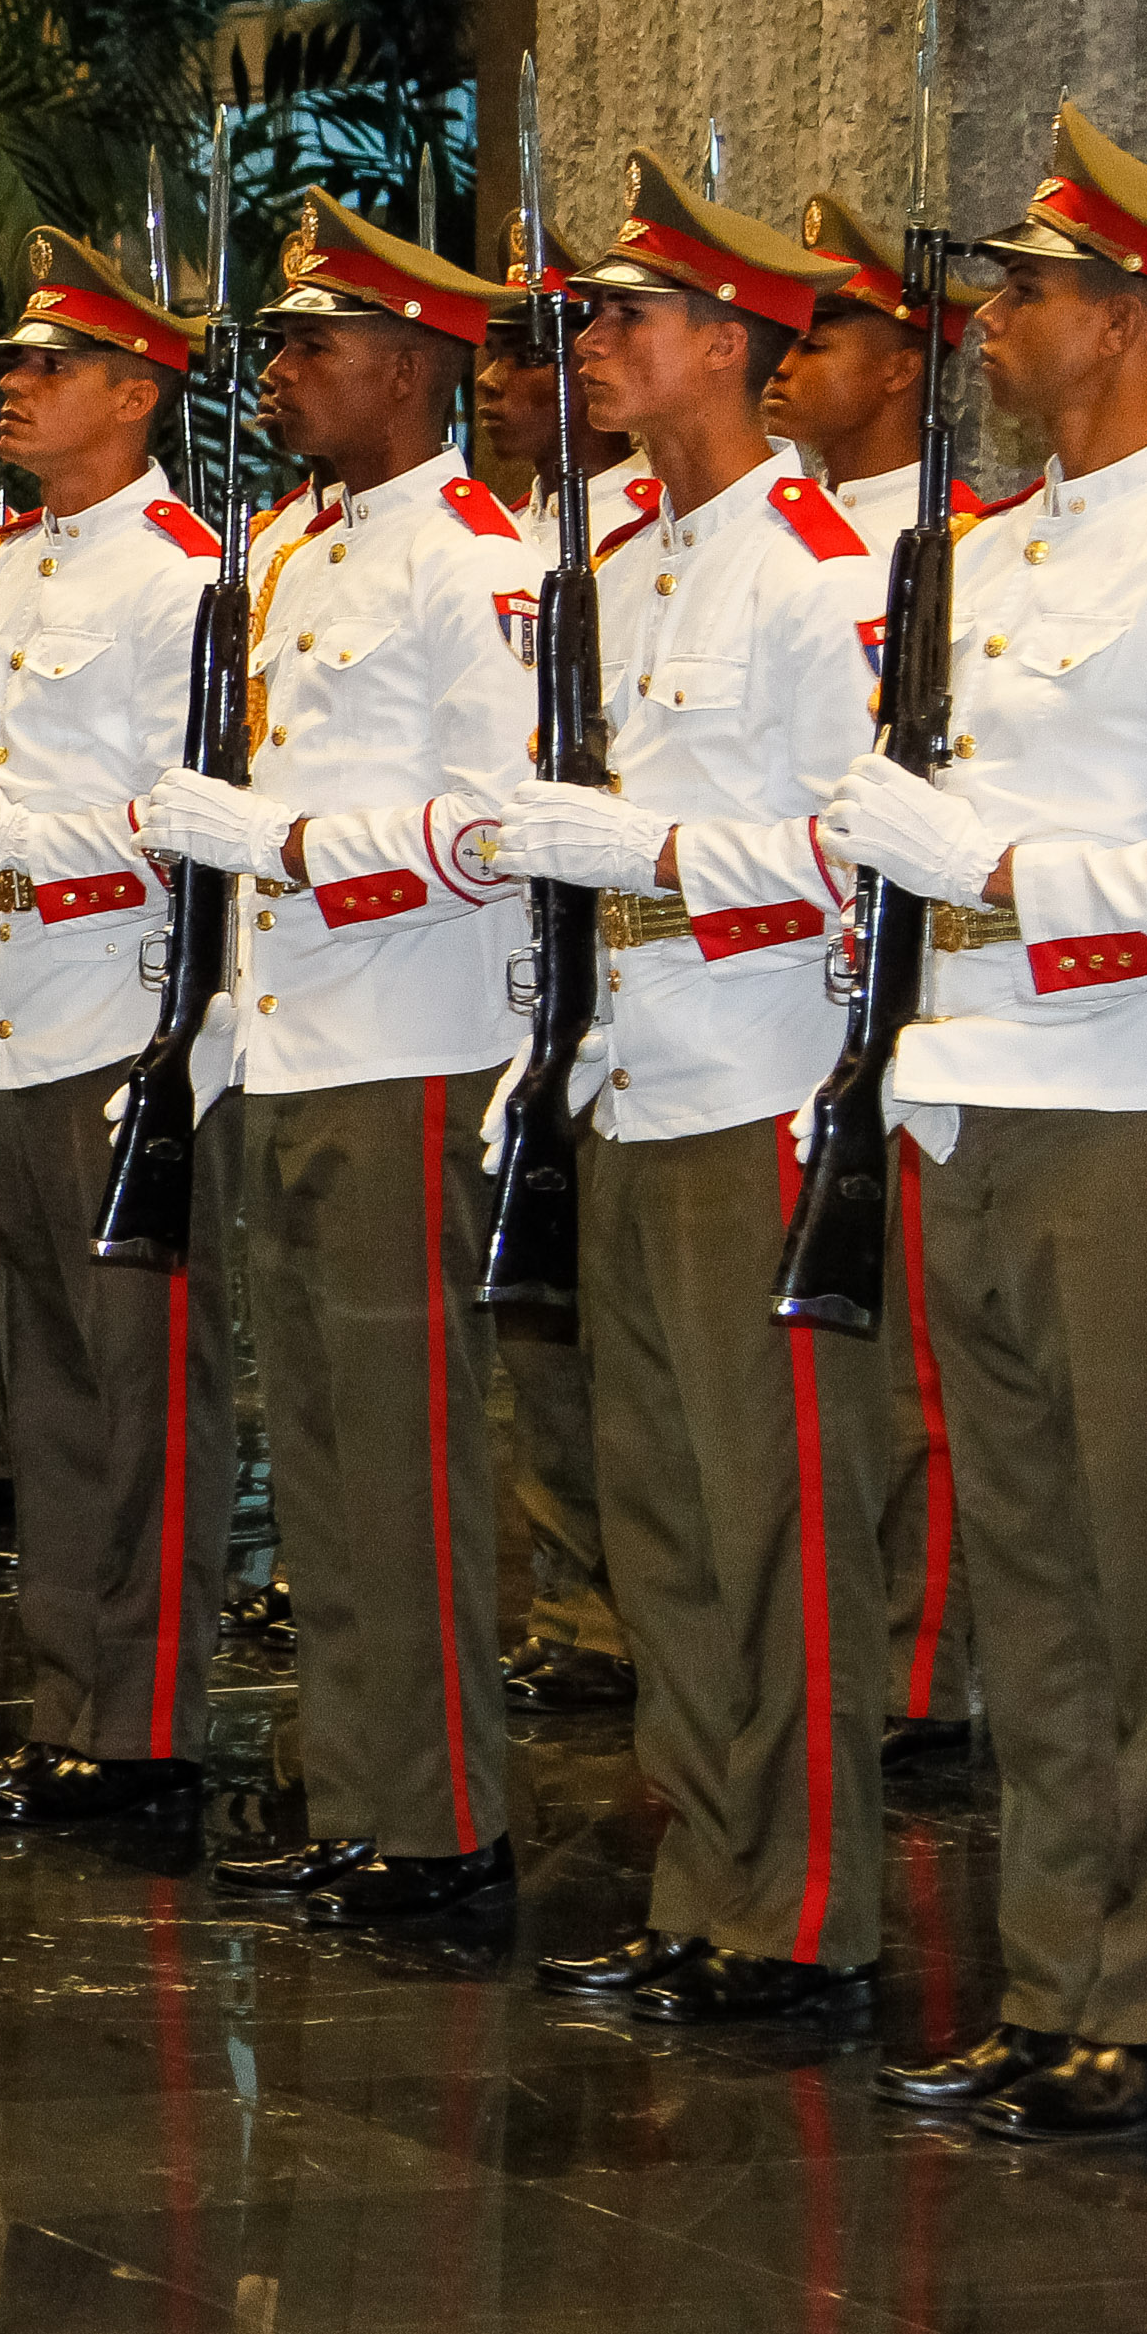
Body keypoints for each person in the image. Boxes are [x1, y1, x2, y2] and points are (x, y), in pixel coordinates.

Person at [487, 158, 895, 2022]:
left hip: (757, 1075)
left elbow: (856, 848)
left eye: (626, 321)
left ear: (725, 344)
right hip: (629, 1066)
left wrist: (640, 842)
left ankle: (800, 1907)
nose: (590, 348)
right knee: (653, 1507)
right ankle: (703, 1878)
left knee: (766, 1512)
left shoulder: (827, 572)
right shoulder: (614, 560)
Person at [137, 193, 536, 1924]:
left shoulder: (479, 558)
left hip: (412, 1037)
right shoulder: (290, 552)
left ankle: (441, 1817)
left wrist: (300, 845)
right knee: (309, 1446)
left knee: (405, 1448)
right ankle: (361, 1786)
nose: (281, 373)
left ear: (408, 363)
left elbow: (506, 821)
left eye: (311, 347)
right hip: (297, 1038)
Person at [820, 100, 1147, 2138]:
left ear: (1121, 318)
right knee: (1029, 1582)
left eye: (1022, 296)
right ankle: (1061, 1983)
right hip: (971, 1086)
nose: (988, 329)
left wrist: (997, 862)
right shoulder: (982, 547)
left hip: (1119, 1107)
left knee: (1130, 1573)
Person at [0, 229, 236, 1813]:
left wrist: (17, 826)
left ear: (134, 391)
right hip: (8, 999)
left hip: (120, 1002)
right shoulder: (4, 563)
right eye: (9, 366)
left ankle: (143, 1722)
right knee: (41, 1382)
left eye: (46, 368)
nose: (9, 390)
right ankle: (65, 1702)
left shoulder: (186, 576)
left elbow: (187, 814)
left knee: (134, 1380)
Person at [775, 189, 1002, 1777]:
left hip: (934, 973)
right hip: (786, 968)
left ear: (908, 363)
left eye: (823, 335)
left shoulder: (967, 547)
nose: (787, 365)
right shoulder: (768, 541)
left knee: (918, 1357)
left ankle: (920, 1671)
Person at [470, 216, 635, 1718]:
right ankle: (573, 1585)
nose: (513, 385)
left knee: (611, 1313)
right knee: (531, 1300)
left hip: (630, 958)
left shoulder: (647, 522)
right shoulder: (505, 528)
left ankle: (619, 1599)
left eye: (538, 355)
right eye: (499, 359)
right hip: (513, 967)